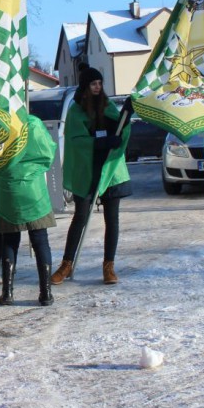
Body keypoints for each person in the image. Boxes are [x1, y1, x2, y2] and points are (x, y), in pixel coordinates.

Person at [51, 67, 131, 286]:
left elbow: (122, 131)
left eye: (99, 83)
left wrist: (126, 118)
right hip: (87, 170)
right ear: (85, 86)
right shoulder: (76, 110)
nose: (97, 87)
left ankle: (109, 266)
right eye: (93, 83)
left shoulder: (108, 106)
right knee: (80, 217)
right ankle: (66, 264)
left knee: (111, 220)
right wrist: (99, 142)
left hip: (110, 170)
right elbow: (77, 140)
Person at [0, 114, 58, 306]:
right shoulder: (33, 123)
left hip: (8, 188)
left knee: (9, 241)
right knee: (40, 240)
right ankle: (45, 292)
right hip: (33, 190)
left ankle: (7, 293)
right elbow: (48, 151)